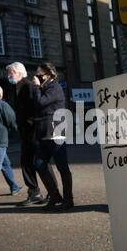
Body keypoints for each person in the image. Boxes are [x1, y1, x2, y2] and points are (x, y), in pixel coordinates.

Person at [6, 62, 56, 206]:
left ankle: (52, 192)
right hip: (26, 132)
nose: (9, 76)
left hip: (33, 132)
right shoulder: (18, 87)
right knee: (27, 162)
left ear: (20, 73)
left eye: (11, 73)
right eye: (8, 73)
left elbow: (37, 104)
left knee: (40, 162)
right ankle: (35, 193)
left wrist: (31, 121)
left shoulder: (28, 86)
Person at [31, 62, 74, 211]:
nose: (36, 76)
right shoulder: (44, 87)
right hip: (44, 134)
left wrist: (36, 87)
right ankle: (55, 195)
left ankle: (68, 200)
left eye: (39, 74)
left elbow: (41, 102)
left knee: (62, 167)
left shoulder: (54, 87)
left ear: (47, 75)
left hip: (56, 132)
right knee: (39, 164)